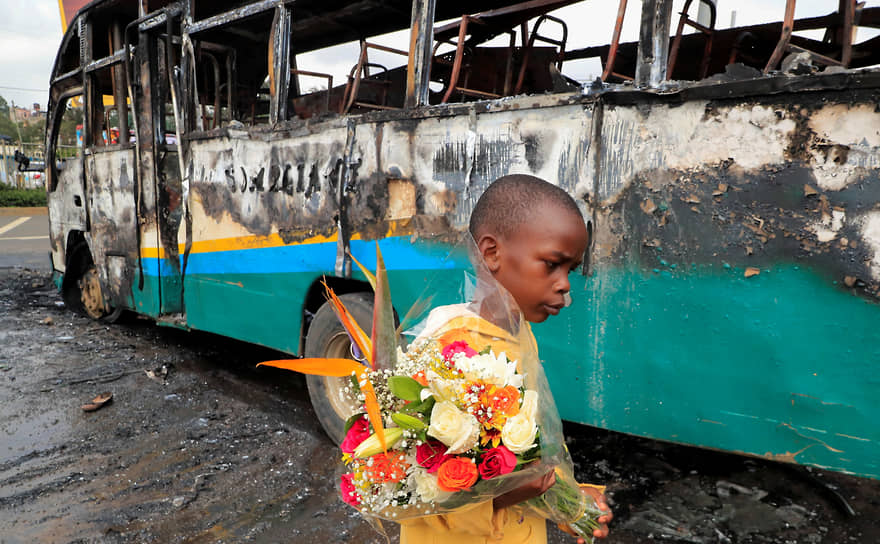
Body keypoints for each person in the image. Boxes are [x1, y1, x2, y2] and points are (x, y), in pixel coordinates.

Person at [398, 174, 612, 544]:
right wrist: (508, 494)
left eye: (570, 270)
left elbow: (528, 449)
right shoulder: (448, 353)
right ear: (492, 253)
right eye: (552, 264)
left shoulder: (519, 332)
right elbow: (417, 497)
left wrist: (570, 500)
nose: (565, 284)